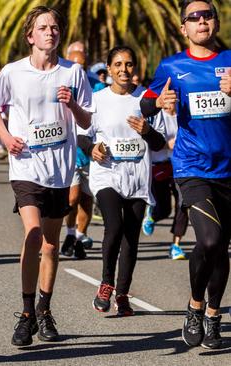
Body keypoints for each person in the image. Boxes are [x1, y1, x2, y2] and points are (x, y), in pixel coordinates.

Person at [0, 6, 93, 347]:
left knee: (50, 245)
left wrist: (73, 106)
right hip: (26, 166)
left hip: (59, 170)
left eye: (55, 27)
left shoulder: (73, 72)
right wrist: (4, 136)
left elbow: (87, 121)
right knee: (33, 235)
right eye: (43, 28)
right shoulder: (13, 73)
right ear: (31, 36)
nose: (50, 32)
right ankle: (27, 312)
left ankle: (45, 310)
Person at [140, 0, 231, 349]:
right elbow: (145, 104)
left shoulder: (229, 62)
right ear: (183, 28)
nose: (201, 21)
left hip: (229, 170)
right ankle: (195, 306)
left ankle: (213, 314)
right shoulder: (172, 66)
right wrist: (158, 103)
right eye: (193, 17)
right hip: (192, 167)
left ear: (216, 22)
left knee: (221, 247)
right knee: (208, 239)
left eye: (207, 15)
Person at [79, 46, 166, 317]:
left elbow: (160, 142)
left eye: (129, 64)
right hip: (106, 174)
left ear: (135, 68)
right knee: (114, 227)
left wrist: (147, 130)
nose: (124, 70)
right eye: (118, 64)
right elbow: (82, 135)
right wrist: (91, 147)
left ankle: (123, 294)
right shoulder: (98, 99)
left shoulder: (148, 100)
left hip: (137, 178)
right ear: (108, 68)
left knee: (131, 237)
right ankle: (106, 283)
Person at [142, 109, 189, 260]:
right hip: (159, 164)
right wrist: (166, 145)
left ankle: (176, 245)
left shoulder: (185, 114)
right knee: (164, 210)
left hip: (181, 165)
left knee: (183, 203)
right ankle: (152, 216)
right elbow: (147, 140)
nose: (171, 100)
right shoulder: (155, 115)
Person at [61, 49, 95, 259]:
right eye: (74, 64)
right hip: (71, 152)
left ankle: (80, 236)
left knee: (87, 200)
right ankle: (70, 233)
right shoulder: (61, 82)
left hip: (92, 154)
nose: (78, 69)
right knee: (72, 198)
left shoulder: (95, 84)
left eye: (82, 65)